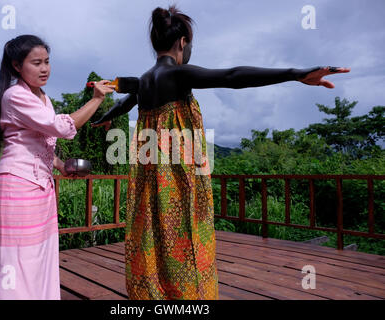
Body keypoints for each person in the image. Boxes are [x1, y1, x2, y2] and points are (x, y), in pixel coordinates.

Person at [92, 6, 350, 300]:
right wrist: (296, 74)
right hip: (179, 180)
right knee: (186, 237)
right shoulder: (177, 74)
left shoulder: (146, 79)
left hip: (150, 177)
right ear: (183, 42)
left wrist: (103, 117)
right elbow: (231, 75)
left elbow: (127, 102)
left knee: (153, 233)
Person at [0, 34, 114, 300]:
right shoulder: (14, 96)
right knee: (18, 258)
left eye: (47, 61)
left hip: (41, 186)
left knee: (41, 255)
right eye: (36, 62)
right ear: (16, 66)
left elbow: (43, 144)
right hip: (18, 185)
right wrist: (96, 99)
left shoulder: (42, 98)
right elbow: (59, 127)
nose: (44, 68)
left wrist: (59, 166)